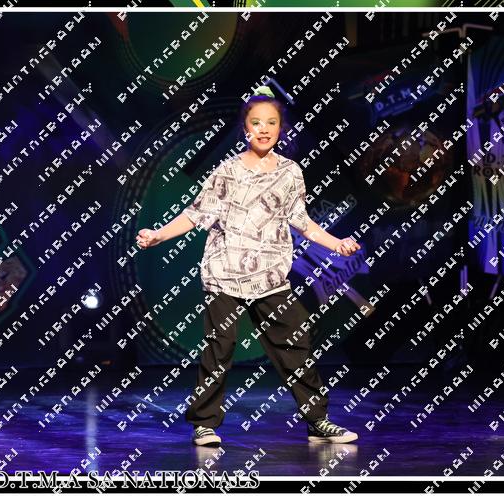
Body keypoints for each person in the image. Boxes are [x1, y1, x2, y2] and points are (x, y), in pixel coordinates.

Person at [136, 85, 361, 446]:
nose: (264, 129)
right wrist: (159, 235)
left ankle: (318, 421)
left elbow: (302, 221)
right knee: (219, 348)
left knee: (295, 344)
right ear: (245, 129)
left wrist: (337, 244)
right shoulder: (227, 171)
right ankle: (204, 424)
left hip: (271, 277)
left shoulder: (291, 172)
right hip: (224, 274)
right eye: (256, 122)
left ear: (280, 128)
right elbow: (196, 214)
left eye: (271, 122)